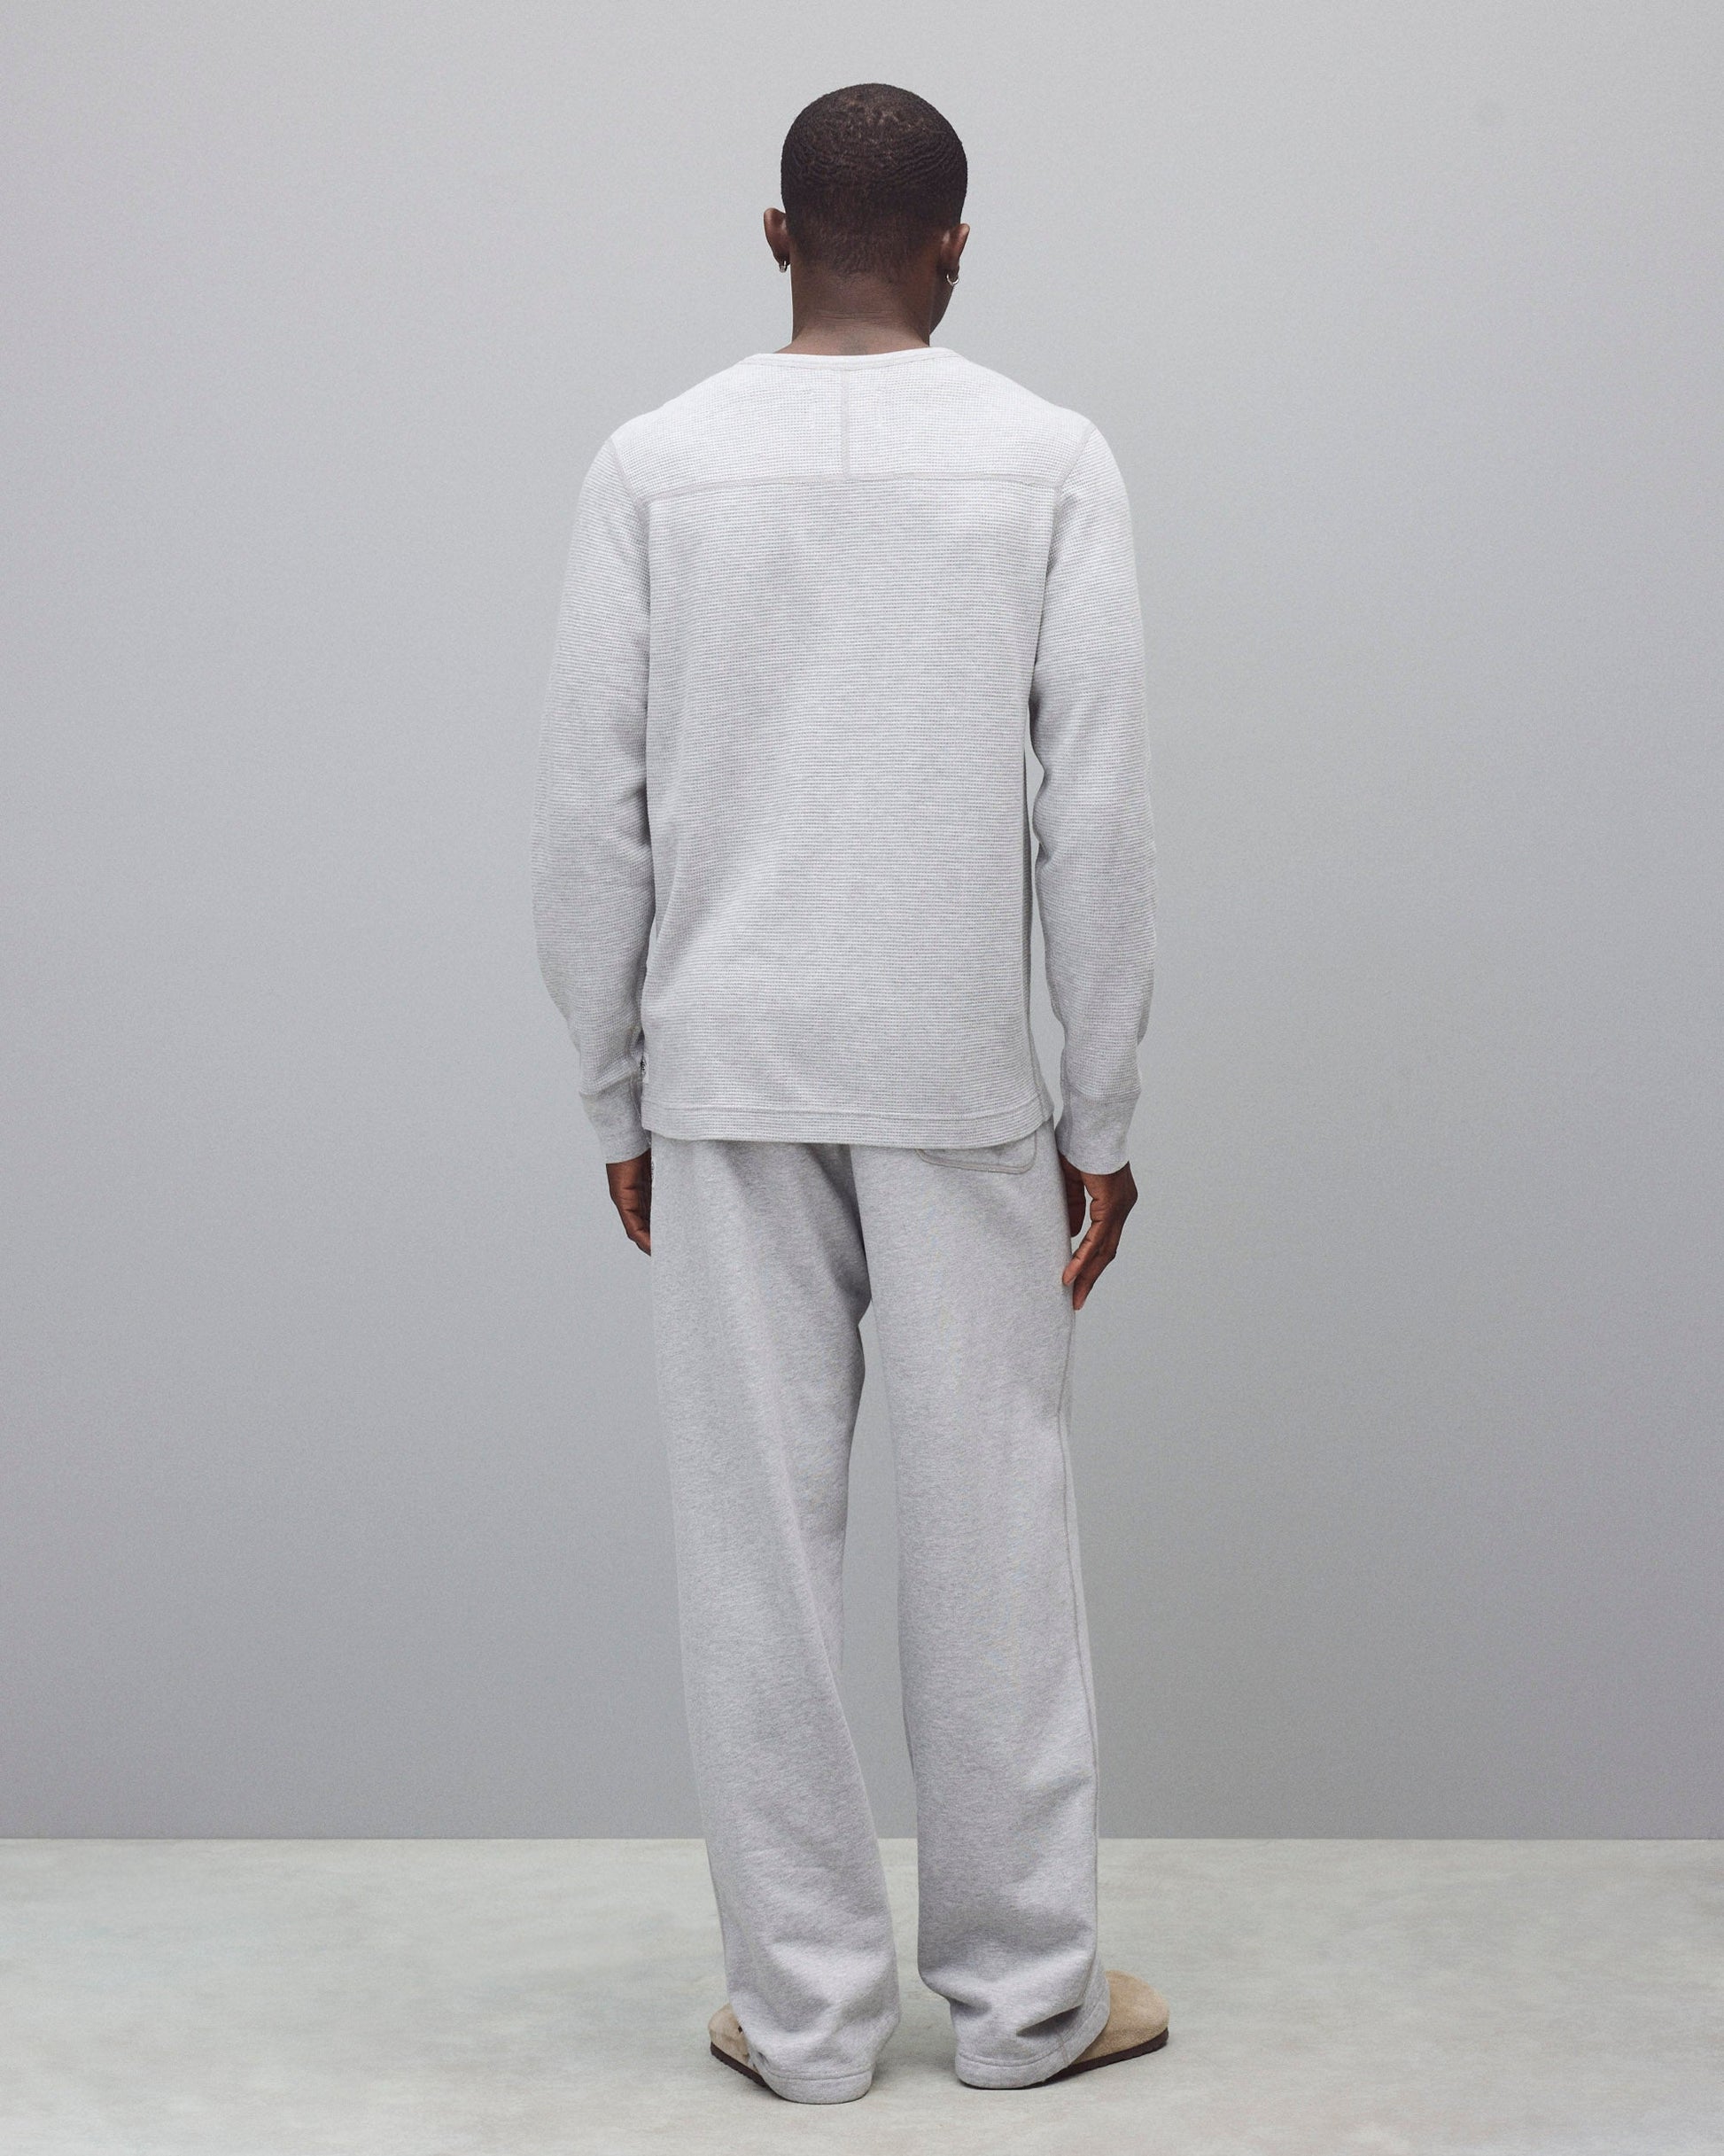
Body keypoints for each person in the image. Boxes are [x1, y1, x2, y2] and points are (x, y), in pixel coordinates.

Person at [532, 82, 1163, 2105]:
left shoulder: (654, 464)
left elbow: (592, 816)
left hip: (728, 1076)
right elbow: (1093, 818)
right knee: (996, 1544)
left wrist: (615, 1090)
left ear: (775, 236)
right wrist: (1102, 1110)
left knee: (757, 1557)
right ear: (957, 246)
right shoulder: (1047, 460)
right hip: (956, 1069)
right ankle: (1026, 2001)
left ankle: (802, 2017)